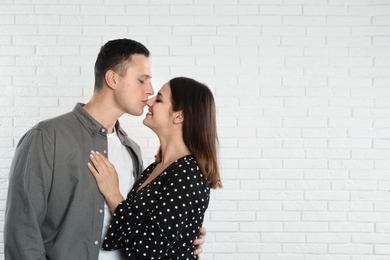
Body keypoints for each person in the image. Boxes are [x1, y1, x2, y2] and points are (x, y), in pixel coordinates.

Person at [4, 39, 206, 260]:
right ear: (112, 79)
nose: (149, 91)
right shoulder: (47, 138)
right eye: (142, 80)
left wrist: (182, 237)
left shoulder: (132, 151)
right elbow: (22, 234)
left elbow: (144, 226)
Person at [87, 77, 222, 259]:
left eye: (159, 99)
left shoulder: (187, 174)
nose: (149, 101)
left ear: (178, 116)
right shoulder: (155, 168)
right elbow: (128, 233)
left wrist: (113, 194)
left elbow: (149, 251)